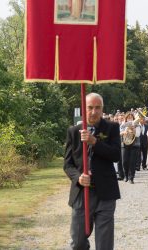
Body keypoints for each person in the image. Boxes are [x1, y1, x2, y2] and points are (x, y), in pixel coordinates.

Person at [64, 93, 121, 250]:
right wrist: (78, 177)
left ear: (102, 109)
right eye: (90, 108)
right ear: (84, 109)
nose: (94, 112)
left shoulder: (112, 128)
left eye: (97, 108)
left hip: (106, 193)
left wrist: (95, 142)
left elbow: (116, 155)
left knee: (104, 244)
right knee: (78, 242)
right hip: (82, 193)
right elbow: (68, 164)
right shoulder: (73, 131)